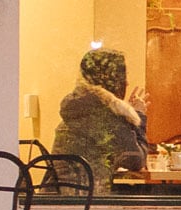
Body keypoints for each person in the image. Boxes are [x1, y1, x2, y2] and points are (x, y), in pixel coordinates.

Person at [53, 47, 149, 193]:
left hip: (60, 199)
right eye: (124, 76)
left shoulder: (78, 110)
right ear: (113, 80)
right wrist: (138, 117)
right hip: (89, 201)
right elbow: (136, 160)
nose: (127, 83)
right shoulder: (104, 119)